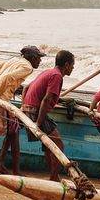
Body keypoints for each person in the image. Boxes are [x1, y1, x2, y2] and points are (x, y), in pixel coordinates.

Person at [0, 46, 45, 175]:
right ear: (33, 58)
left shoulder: (14, 60)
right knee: (14, 132)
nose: (40, 62)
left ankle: (0, 163)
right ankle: (16, 171)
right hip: (1, 101)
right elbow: (6, 78)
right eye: (39, 58)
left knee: (12, 132)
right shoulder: (27, 67)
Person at [21, 49, 75, 181]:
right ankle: (53, 177)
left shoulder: (48, 72)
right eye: (72, 65)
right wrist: (38, 123)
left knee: (48, 146)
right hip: (36, 112)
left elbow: (26, 88)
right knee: (59, 145)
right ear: (67, 65)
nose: (73, 68)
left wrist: (23, 106)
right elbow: (46, 99)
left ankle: (53, 175)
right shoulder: (57, 76)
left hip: (29, 110)